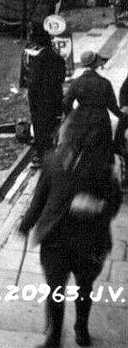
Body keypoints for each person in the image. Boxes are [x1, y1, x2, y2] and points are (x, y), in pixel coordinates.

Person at [18, 115, 122, 348]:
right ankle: (65, 333)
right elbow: (40, 199)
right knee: (68, 288)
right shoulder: (58, 161)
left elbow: (113, 202)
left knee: (72, 288)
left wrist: (95, 206)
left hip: (76, 239)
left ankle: (70, 331)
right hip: (73, 239)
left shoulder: (94, 167)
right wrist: (26, 224)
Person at [22, 25, 67, 167]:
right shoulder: (58, 58)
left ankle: (41, 157)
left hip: (39, 101)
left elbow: (33, 82)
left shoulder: (37, 60)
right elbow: (62, 78)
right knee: (53, 127)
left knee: (40, 129)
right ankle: (53, 156)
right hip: (54, 99)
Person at [63, 50, 121, 150]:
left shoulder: (76, 83)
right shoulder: (104, 83)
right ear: (96, 63)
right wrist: (122, 117)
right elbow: (112, 106)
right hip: (101, 120)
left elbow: (66, 103)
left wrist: (72, 117)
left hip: (82, 120)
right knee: (104, 151)